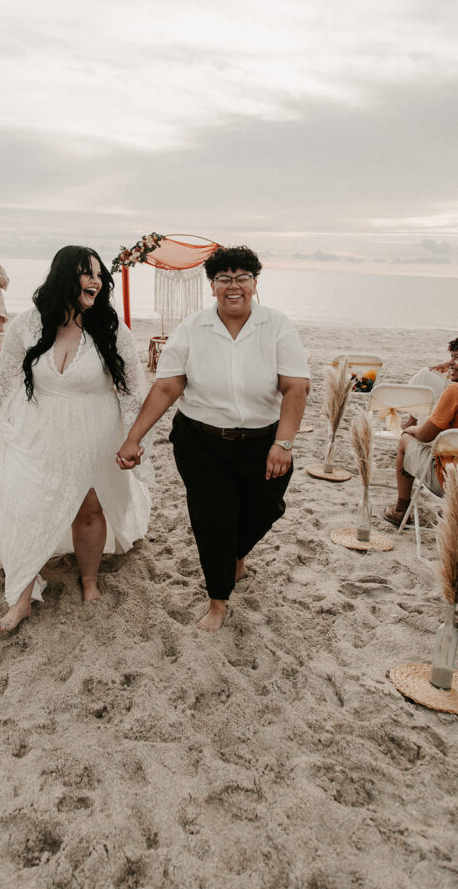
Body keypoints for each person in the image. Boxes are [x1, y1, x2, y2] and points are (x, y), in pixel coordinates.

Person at [117, 245, 310, 633]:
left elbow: (295, 387)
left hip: (263, 441)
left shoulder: (276, 325)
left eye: (242, 278)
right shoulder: (193, 328)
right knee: (212, 519)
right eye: (224, 279)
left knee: (267, 508)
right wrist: (133, 438)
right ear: (212, 286)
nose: (233, 286)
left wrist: (283, 443)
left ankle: (237, 553)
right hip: (201, 442)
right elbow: (167, 388)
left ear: (255, 283)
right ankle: (218, 601)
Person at [0, 246, 151, 633]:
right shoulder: (28, 324)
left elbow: (132, 391)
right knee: (26, 505)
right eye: (85, 273)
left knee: (89, 508)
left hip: (94, 430)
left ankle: (89, 580)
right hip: (35, 429)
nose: (95, 280)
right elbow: (3, 375)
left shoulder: (112, 329)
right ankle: (21, 599)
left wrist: (134, 439)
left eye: (98, 274)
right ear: (63, 277)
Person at [384, 335, 458, 526]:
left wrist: (413, 428)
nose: (451, 364)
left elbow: (425, 435)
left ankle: (400, 510)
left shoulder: (457, 392)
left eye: (457, 358)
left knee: (406, 439)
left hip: (454, 483)